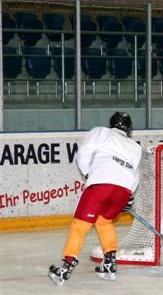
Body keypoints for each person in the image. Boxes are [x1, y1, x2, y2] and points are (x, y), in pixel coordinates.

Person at [48, 112, 143, 285]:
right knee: (104, 221)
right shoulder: (135, 147)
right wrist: (128, 195)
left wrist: (88, 174)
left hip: (101, 186)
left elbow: (83, 153)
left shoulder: (101, 132)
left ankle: (65, 268)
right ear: (128, 128)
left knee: (79, 226)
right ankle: (109, 264)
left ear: (111, 123)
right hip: (123, 190)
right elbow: (134, 174)